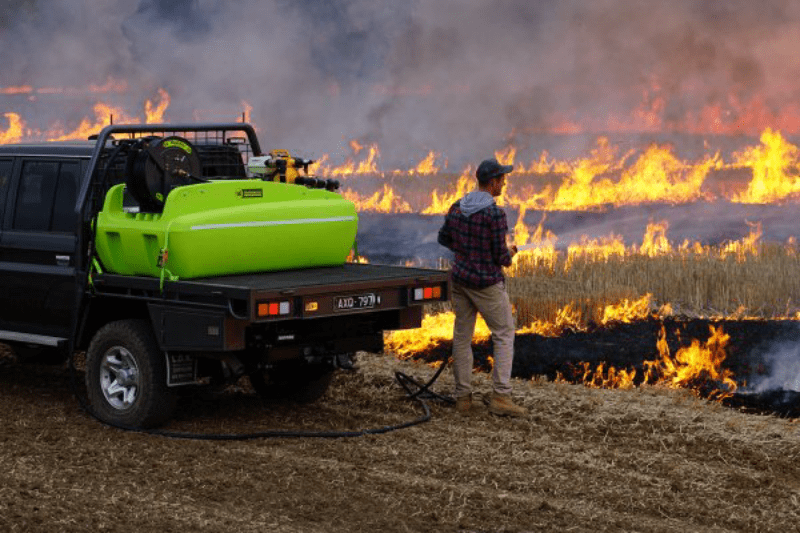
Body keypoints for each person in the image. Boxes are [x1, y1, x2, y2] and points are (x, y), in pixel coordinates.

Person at [437, 157, 527, 417]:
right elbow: (501, 257)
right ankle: (500, 396)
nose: (504, 183)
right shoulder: (494, 213)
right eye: (502, 179)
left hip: (461, 281)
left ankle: (463, 399)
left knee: (462, 338)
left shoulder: (457, 207)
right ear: (493, 182)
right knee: (503, 333)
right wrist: (509, 253)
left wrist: (466, 252)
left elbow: (444, 238)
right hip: (486, 284)